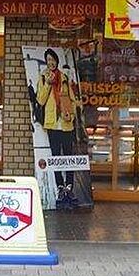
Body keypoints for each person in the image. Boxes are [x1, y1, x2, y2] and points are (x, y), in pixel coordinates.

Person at [36, 48, 79, 205]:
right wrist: (48, 84)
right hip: (53, 124)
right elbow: (40, 100)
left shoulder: (64, 77)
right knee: (55, 157)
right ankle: (60, 188)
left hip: (66, 124)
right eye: (48, 60)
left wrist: (72, 115)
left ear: (57, 61)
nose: (51, 62)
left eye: (53, 59)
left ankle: (70, 187)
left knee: (68, 158)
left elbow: (72, 100)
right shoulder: (43, 77)